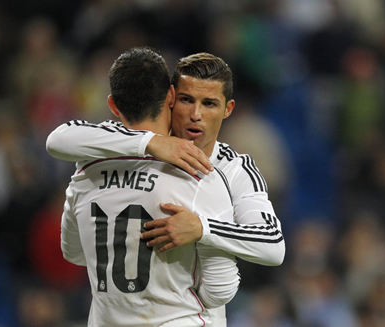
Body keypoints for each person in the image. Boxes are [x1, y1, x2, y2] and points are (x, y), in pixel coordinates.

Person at [56, 47, 239, 327]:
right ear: (171, 97)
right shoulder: (198, 172)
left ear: (113, 105)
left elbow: (73, 251)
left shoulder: (85, 172)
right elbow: (220, 289)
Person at [47, 52, 285, 264]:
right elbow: (59, 139)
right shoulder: (130, 143)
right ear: (171, 98)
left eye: (209, 104)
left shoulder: (234, 168)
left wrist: (203, 229)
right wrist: (151, 143)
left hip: (196, 310)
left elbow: (273, 245)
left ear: (228, 109)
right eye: (187, 100)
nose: (196, 115)